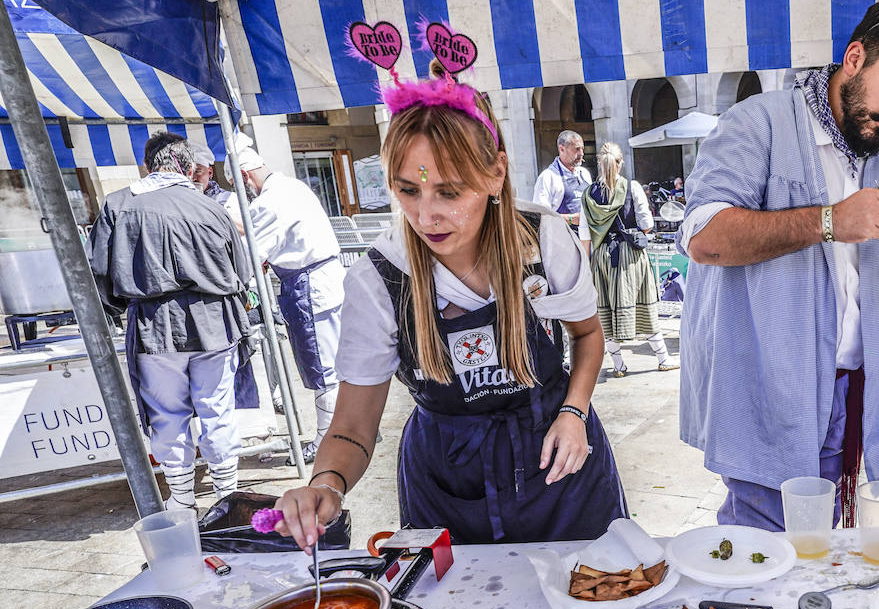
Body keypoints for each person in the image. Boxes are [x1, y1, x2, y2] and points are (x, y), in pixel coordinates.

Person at [271, 66, 627, 551]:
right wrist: (326, 484)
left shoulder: (543, 240)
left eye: (449, 191)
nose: (426, 216)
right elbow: (353, 425)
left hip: (559, 463)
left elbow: (587, 335)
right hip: (446, 483)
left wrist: (574, 411)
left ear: (496, 173)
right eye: (408, 190)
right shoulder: (380, 280)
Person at [678, 0, 879, 530]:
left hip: (855, 385)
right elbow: (704, 238)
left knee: (825, 536)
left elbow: (878, 266)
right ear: (854, 59)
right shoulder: (757, 122)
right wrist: (828, 221)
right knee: (763, 534)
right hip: (767, 381)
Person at [89, 132, 252, 508]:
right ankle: (228, 497)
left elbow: (98, 274)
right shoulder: (211, 207)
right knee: (217, 409)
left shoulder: (118, 204)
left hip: (154, 325)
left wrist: (116, 311)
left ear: (147, 166)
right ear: (187, 166)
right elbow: (241, 271)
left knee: (167, 413)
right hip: (216, 323)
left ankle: (182, 499)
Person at [229, 135, 345, 463]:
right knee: (335, 362)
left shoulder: (270, 200)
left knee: (322, 368)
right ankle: (342, 429)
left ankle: (327, 441)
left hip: (309, 285)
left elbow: (254, 251)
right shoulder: (293, 187)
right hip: (325, 280)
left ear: (245, 175)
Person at [578, 142, 679, 375]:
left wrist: (586, 269)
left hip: (602, 258)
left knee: (605, 311)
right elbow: (647, 225)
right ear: (620, 163)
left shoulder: (588, 195)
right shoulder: (631, 187)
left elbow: (585, 236)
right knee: (645, 307)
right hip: (630, 256)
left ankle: (619, 366)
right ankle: (663, 359)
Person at [532, 130, 592, 227]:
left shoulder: (584, 174)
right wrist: (571, 219)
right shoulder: (548, 177)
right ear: (562, 149)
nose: (581, 153)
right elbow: (540, 216)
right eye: (576, 149)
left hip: (586, 238)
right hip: (561, 238)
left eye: (582, 149)